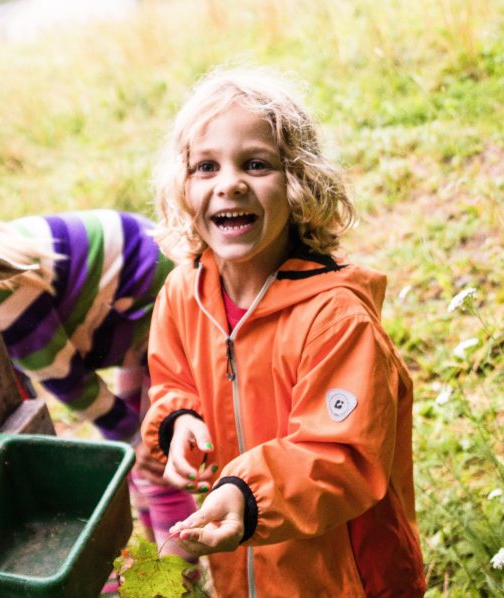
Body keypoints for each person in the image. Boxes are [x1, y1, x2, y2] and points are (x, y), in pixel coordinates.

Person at [140, 67, 427, 597]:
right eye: (206, 166)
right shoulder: (184, 294)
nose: (230, 182)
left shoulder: (334, 318)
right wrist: (178, 418)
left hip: (344, 574)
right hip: (241, 557)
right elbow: (171, 377)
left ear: (297, 182)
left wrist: (248, 496)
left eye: (256, 163)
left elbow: (342, 455)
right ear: (182, 187)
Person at [0, 210, 198, 562]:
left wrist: (132, 436)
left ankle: (181, 574)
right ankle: (159, 558)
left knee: (153, 457)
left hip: (157, 298)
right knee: (136, 453)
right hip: (133, 305)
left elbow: (65, 375)